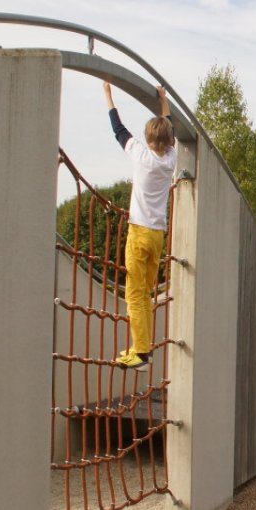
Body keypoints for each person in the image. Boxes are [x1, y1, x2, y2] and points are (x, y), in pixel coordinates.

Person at [103, 82, 177, 370]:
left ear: (147, 140)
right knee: (146, 292)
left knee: (133, 293)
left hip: (138, 233)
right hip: (158, 235)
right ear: (169, 142)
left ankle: (141, 354)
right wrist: (164, 101)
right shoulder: (170, 160)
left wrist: (108, 95)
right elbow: (168, 124)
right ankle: (143, 349)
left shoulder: (140, 155)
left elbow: (118, 129)